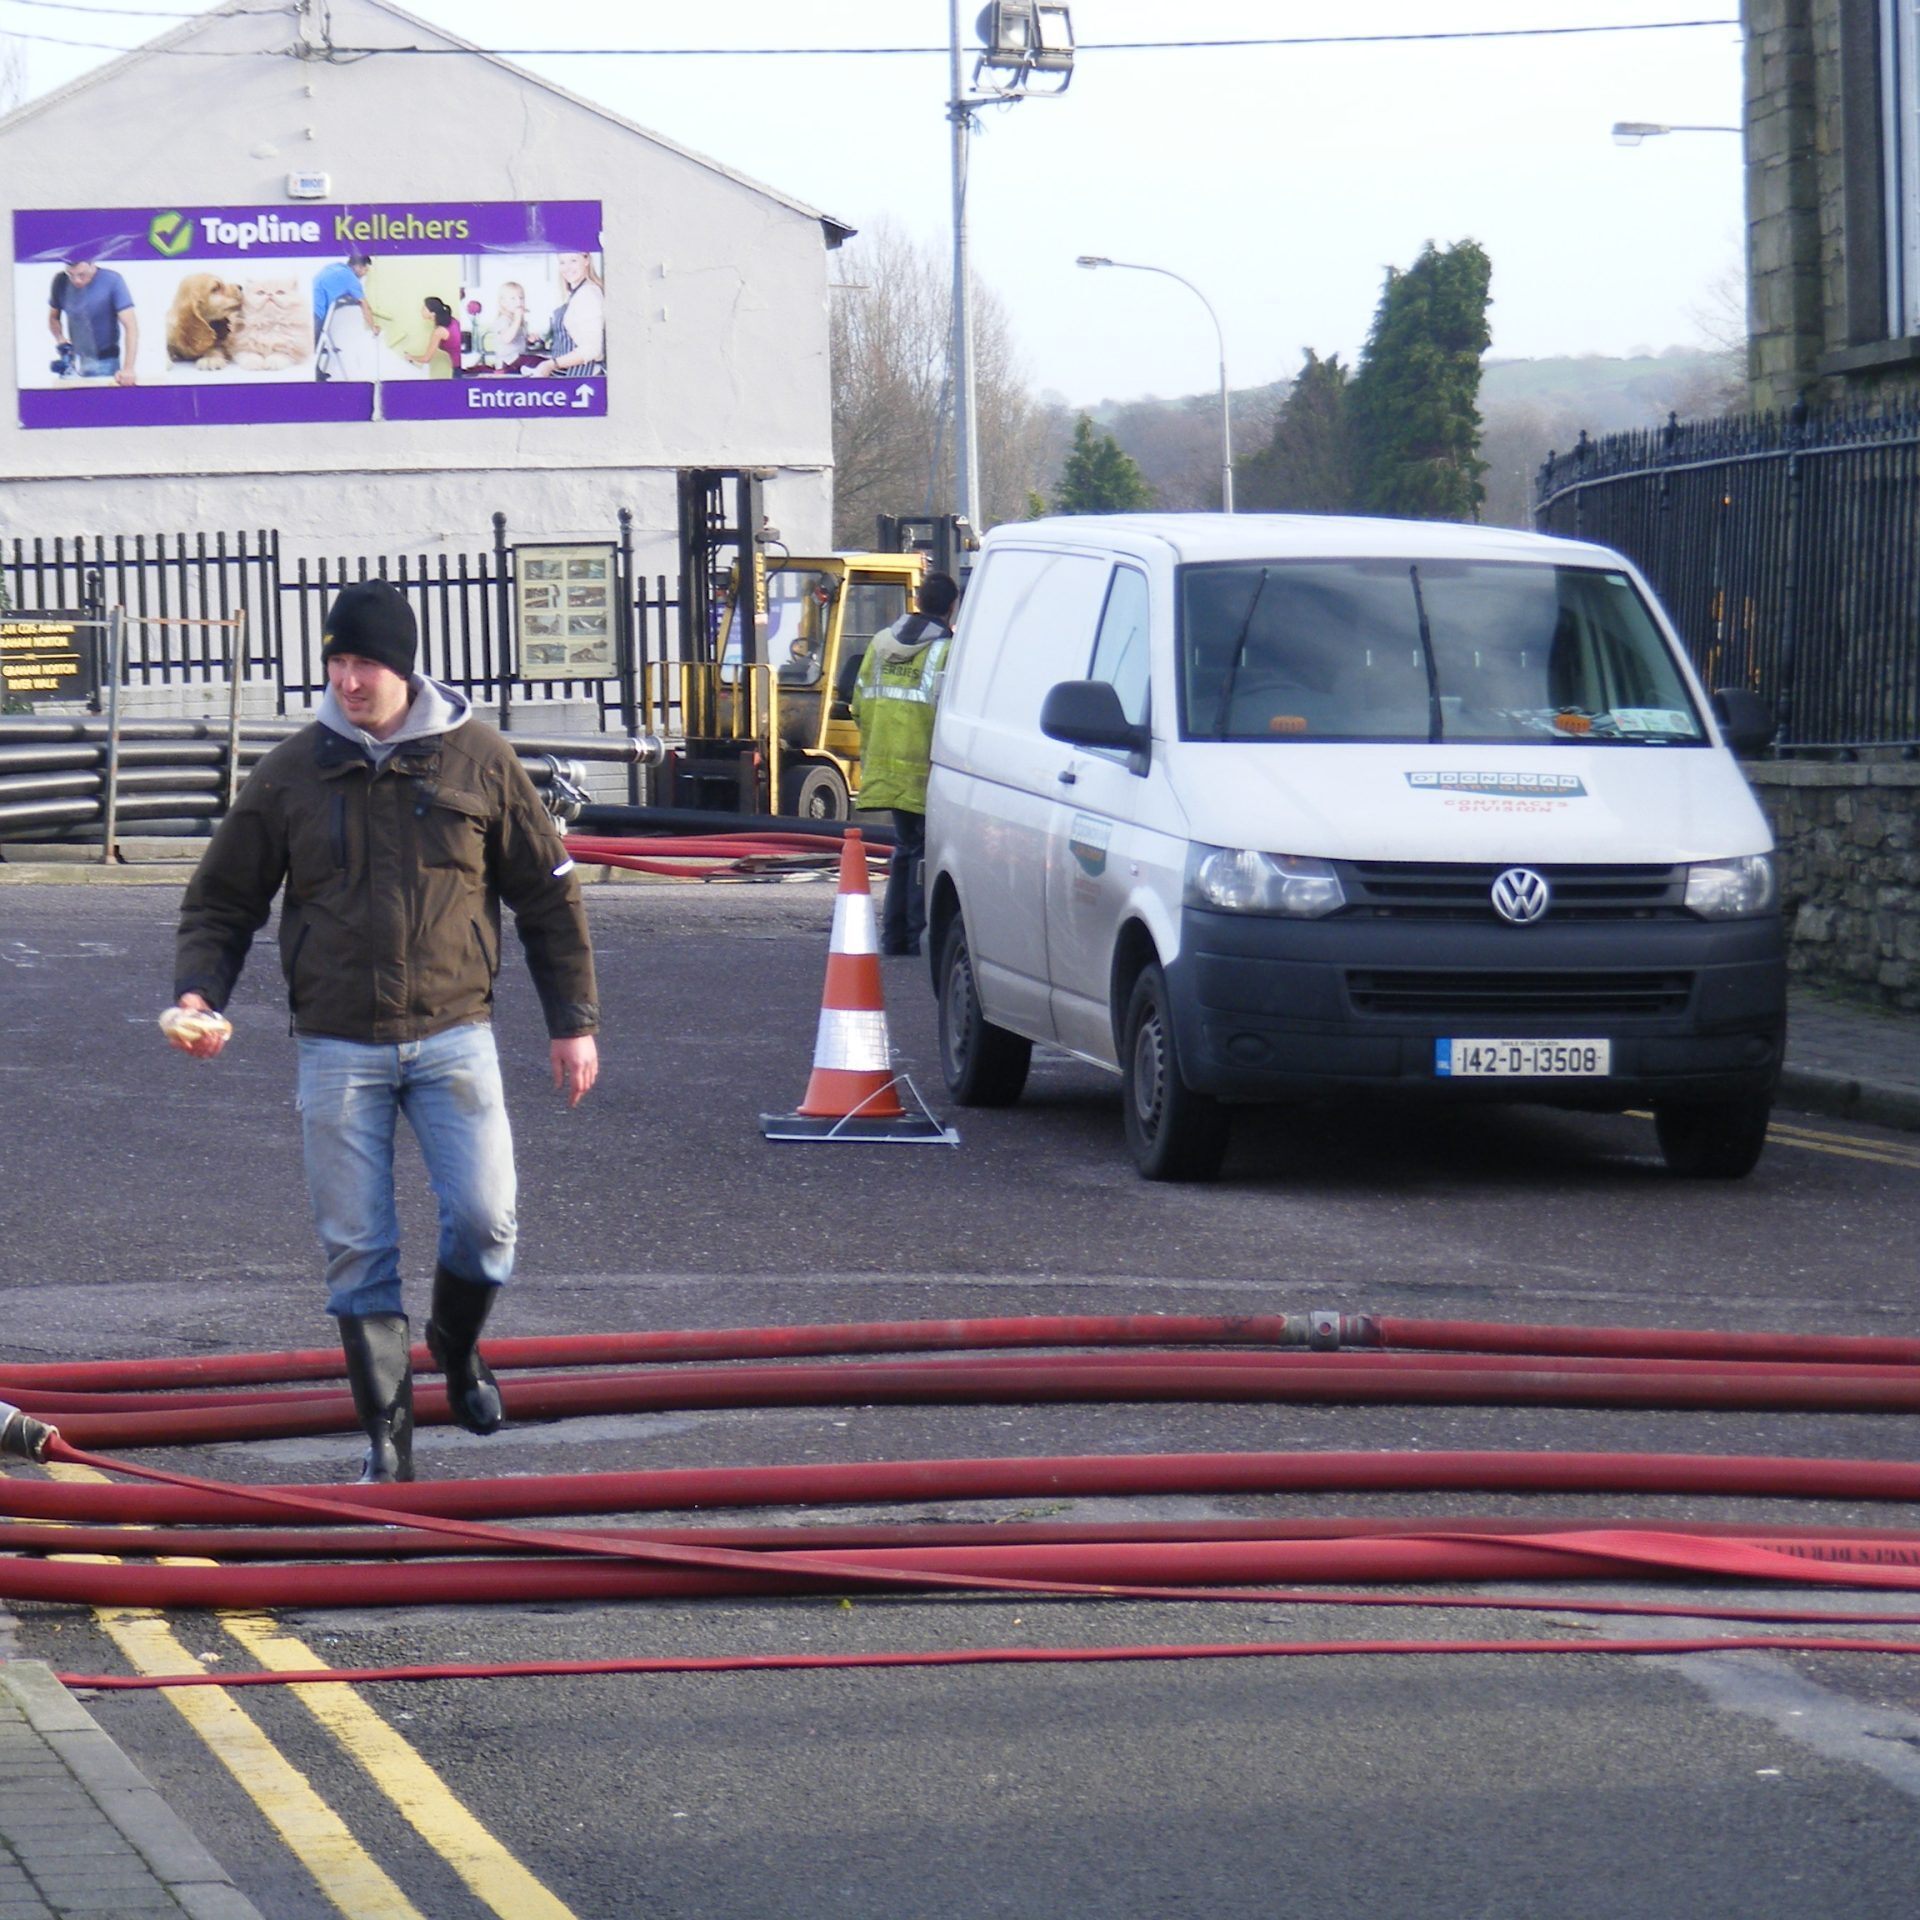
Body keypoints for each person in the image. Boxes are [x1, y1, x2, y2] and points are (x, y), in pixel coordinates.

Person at [167, 581, 600, 1485]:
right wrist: (200, 995)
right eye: (337, 662)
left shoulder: (477, 758)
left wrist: (573, 1023)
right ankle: (389, 1453)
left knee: (488, 1225)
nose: (349, 680)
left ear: (402, 667)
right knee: (358, 1252)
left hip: (455, 1036)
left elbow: (548, 894)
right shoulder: (292, 771)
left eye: (365, 662)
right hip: (337, 1046)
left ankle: (454, 1341)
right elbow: (221, 900)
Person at [851, 571, 960, 958]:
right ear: (952, 606)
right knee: (923, 853)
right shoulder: (948, 651)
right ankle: (917, 938)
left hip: (885, 765)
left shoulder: (880, 643)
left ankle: (894, 937)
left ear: (917, 598)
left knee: (904, 848)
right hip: (926, 771)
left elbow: (859, 705)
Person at [48, 258, 138, 385]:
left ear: (92, 265)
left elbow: (131, 326)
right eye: (71, 275)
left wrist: (128, 368)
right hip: (75, 361)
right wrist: (60, 339)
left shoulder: (112, 281)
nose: (76, 280)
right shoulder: (60, 282)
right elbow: (53, 317)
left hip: (106, 361)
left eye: (81, 275)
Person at [529, 253, 606, 377]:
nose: (567, 268)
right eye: (562, 262)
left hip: (581, 377)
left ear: (586, 260)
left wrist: (551, 364)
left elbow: (592, 349)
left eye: (573, 261)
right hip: (567, 374)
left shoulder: (588, 294)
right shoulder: (574, 294)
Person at [310, 252, 377, 345]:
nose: (365, 274)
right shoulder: (351, 279)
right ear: (358, 266)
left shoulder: (335, 267)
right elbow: (365, 306)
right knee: (312, 350)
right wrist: (373, 328)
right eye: (365, 270)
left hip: (307, 306)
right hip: (317, 312)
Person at [408, 297, 462, 374]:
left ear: (432, 313)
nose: (421, 311)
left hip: (459, 368)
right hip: (463, 364)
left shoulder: (439, 331)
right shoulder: (451, 320)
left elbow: (426, 359)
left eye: (424, 309)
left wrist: (410, 357)